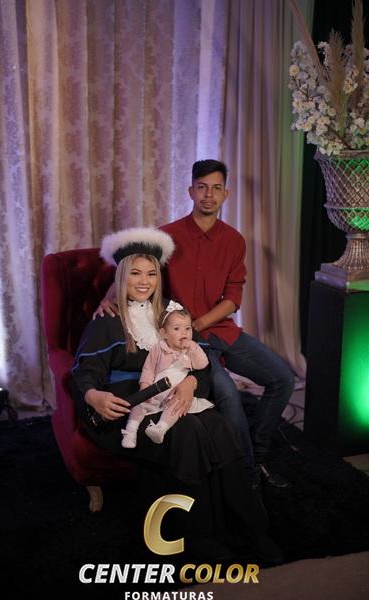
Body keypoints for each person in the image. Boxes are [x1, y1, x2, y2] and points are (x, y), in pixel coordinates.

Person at [72, 226, 283, 564]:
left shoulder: (170, 317)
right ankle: (201, 537)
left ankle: (251, 527)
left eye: (151, 273)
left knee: (218, 427)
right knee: (188, 432)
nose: (144, 281)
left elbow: (199, 363)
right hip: (126, 408)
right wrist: (94, 396)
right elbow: (86, 373)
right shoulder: (106, 320)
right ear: (122, 277)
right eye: (135, 273)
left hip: (173, 396)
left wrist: (190, 383)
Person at [95, 161, 295, 489]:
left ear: (226, 194)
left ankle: (257, 454)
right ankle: (245, 476)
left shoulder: (234, 240)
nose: (208, 195)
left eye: (216, 188)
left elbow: (233, 297)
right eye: (202, 187)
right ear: (191, 191)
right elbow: (132, 270)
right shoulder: (166, 237)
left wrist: (199, 323)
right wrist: (108, 298)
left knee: (283, 379)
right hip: (183, 340)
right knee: (228, 393)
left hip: (219, 329)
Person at [121, 301, 213, 448]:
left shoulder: (190, 350)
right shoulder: (159, 348)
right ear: (164, 333)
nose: (184, 333)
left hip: (175, 393)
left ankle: (160, 428)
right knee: (139, 404)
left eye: (188, 328)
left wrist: (193, 347)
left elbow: (202, 364)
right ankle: (130, 432)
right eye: (177, 329)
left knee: (176, 406)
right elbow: (148, 369)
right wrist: (145, 387)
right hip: (156, 390)